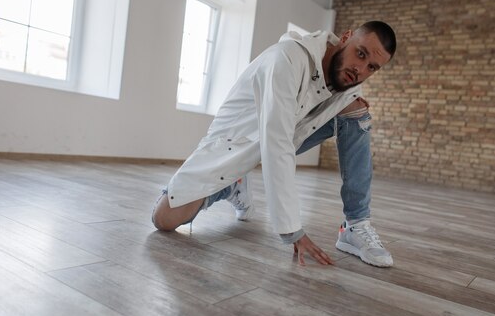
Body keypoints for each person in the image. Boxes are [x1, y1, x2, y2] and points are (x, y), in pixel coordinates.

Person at [152, 21, 397, 267]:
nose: (360, 69)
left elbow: (284, 137)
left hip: (284, 135)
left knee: (356, 111)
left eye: (371, 67)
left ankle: (356, 224)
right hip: (234, 142)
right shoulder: (287, 59)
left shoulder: (347, 83)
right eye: (360, 53)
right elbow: (276, 140)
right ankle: (232, 184)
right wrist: (292, 230)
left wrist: (348, 103)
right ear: (345, 38)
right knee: (164, 219)